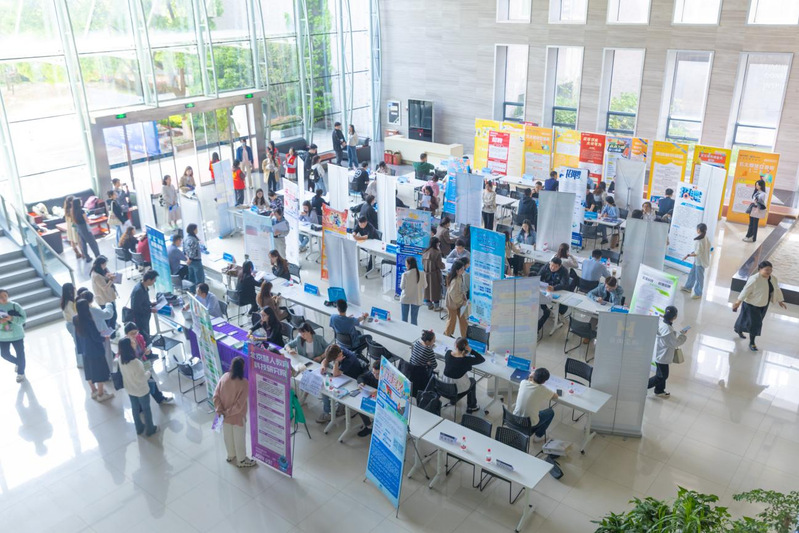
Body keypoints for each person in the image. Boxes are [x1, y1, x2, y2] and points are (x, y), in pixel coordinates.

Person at [733, 260, 787, 351]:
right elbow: (745, 290)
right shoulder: (754, 279)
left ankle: (738, 329)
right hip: (751, 304)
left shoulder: (773, 278)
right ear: (760, 269)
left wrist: (780, 301)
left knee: (745, 318)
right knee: (756, 323)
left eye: (770, 270)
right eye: (766, 270)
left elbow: (777, 289)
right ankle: (752, 343)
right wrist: (738, 302)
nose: (769, 272)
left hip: (763, 304)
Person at [213, 356, 256, 467]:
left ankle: (230, 455)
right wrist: (228, 413)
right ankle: (241, 460)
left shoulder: (224, 377)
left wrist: (220, 411)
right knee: (239, 439)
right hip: (237, 417)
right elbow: (239, 405)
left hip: (223, 416)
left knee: (227, 437)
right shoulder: (244, 383)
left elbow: (216, 396)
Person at [122, 322, 173, 405]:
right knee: (139, 385)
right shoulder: (125, 344)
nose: (134, 335)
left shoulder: (140, 337)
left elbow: (144, 349)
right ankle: (140, 406)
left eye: (136, 332)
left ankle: (160, 399)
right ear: (126, 334)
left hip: (144, 361)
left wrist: (147, 352)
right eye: (132, 333)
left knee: (151, 380)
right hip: (135, 366)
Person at [117, 338, 158, 436]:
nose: (134, 343)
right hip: (141, 390)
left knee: (135, 409)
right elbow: (142, 378)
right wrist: (148, 372)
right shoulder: (135, 362)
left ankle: (139, 428)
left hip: (130, 388)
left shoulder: (120, 359)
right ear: (128, 347)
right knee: (146, 409)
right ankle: (150, 429)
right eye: (132, 342)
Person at [73, 298, 112, 400]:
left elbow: (78, 335)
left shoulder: (75, 319)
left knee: (89, 372)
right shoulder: (89, 321)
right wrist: (105, 337)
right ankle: (101, 394)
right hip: (95, 350)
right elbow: (96, 337)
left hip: (85, 350)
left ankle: (94, 391)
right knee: (100, 372)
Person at [317, 344, 364, 423]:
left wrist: (336, 362)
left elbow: (336, 373)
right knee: (324, 387)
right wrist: (323, 366)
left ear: (339, 355)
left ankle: (339, 409)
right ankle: (327, 412)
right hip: (342, 377)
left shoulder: (349, 359)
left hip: (352, 380)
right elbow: (325, 360)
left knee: (330, 389)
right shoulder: (335, 349)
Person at [648, 306, 687, 398]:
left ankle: (659, 390)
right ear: (675, 317)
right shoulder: (668, 329)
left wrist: (677, 334)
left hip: (660, 354)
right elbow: (674, 343)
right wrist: (682, 336)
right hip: (663, 356)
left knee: (660, 374)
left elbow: (669, 338)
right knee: (662, 376)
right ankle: (644, 386)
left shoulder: (663, 324)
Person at [513, 368, 557, 441]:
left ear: (533, 375)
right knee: (550, 412)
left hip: (515, 419)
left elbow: (528, 380)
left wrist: (530, 376)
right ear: (544, 382)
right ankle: (538, 436)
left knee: (537, 412)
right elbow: (555, 396)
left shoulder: (523, 382)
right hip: (529, 424)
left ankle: (538, 435)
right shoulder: (542, 389)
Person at [441, 337, 484, 414]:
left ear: (455, 346)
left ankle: (452, 401)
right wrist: (471, 350)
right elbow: (481, 359)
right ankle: (472, 406)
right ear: (466, 348)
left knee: (454, 376)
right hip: (457, 390)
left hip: (444, 386)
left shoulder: (448, 353)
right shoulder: (466, 360)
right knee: (472, 381)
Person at [0, 289, 26, 383]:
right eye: (1, 297)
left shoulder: (15, 305)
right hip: (3, 336)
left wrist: (11, 318)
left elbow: (23, 319)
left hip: (17, 335)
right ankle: (18, 363)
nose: (3, 298)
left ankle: (21, 373)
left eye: (5, 295)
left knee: (20, 354)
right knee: (4, 354)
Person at [681, 223, 711, 299]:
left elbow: (697, 253)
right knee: (692, 273)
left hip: (700, 262)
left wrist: (688, 255)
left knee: (699, 278)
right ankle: (688, 287)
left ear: (698, 230)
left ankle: (698, 293)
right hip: (698, 260)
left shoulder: (700, 241)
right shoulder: (705, 237)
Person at [90, 256, 118, 332]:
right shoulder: (96, 276)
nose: (105, 266)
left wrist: (109, 276)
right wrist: (111, 280)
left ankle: (111, 330)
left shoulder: (99, 271)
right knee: (111, 316)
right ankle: (111, 333)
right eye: (104, 264)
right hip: (104, 299)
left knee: (112, 316)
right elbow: (104, 288)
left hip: (107, 297)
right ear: (100, 264)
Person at [131, 271, 159, 342]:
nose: (154, 282)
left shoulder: (144, 287)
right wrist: (150, 310)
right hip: (140, 319)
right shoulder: (139, 291)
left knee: (146, 333)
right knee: (144, 336)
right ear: (149, 280)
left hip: (145, 317)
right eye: (154, 280)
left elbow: (143, 301)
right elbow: (136, 308)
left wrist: (151, 304)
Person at [355, 359, 381, 436]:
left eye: (378, 374)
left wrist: (379, 392)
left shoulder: (389, 379)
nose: (375, 376)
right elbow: (361, 377)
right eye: (374, 373)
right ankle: (369, 426)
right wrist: (361, 383)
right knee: (360, 407)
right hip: (372, 398)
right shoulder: (372, 374)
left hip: (383, 403)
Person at [400, 256, 427, 325]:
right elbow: (425, 286)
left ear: (409, 265)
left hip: (406, 298)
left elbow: (402, 287)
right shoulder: (422, 274)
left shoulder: (405, 274)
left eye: (406, 264)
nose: (406, 266)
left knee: (404, 319)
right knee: (414, 319)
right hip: (417, 299)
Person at [444, 260, 468, 338]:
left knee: (463, 320)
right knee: (452, 320)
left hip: (459, 302)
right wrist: (462, 301)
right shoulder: (454, 281)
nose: (463, 270)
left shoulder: (460, 276)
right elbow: (454, 295)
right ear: (457, 271)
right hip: (452, 304)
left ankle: (465, 336)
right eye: (462, 269)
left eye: (463, 269)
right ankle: (447, 335)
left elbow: (462, 287)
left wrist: (464, 296)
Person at [72, 197, 101, 263]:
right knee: (93, 243)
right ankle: (98, 256)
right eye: (80, 201)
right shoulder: (81, 211)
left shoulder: (73, 211)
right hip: (85, 228)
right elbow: (87, 220)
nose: (81, 201)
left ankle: (87, 257)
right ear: (78, 203)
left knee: (83, 244)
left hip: (79, 228)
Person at [61, 282, 82, 368]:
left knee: (78, 343)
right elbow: (74, 315)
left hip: (71, 324)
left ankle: (81, 362)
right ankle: (80, 363)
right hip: (73, 324)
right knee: (78, 344)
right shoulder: (68, 303)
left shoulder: (66, 301)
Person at [422, 237, 445, 311]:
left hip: (426, 273)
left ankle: (429, 305)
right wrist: (444, 265)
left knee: (427, 289)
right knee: (436, 289)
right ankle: (436, 306)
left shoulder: (425, 251)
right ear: (436, 243)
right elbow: (440, 265)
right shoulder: (437, 253)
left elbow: (422, 263)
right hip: (434, 274)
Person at [744, 179, 768, 243]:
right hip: (753, 208)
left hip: (757, 209)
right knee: (751, 224)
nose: (756, 186)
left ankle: (752, 238)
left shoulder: (763, 194)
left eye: (757, 185)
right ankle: (748, 236)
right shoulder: (756, 192)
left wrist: (757, 207)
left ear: (761, 186)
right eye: (756, 184)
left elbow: (762, 203)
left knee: (754, 224)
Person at [184, 223, 204, 287]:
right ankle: (200, 291)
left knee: (191, 279)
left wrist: (188, 259)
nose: (197, 230)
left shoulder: (186, 238)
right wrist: (190, 259)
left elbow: (184, 250)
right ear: (193, 230)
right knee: (199, 279)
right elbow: (193, 252)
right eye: (196, 229)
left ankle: (192, 291)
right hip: (195, 261)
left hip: (189, 262)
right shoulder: (193, 239)